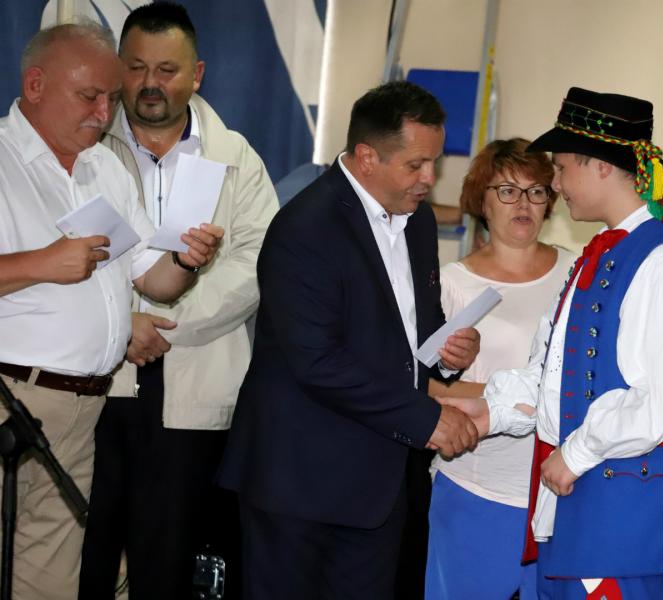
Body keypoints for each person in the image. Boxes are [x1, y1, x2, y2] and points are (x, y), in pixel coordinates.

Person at [443, 88, 663, 598]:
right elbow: (558, 375)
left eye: (560, 167)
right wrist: (489, 414)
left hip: (628, 520)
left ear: (598, 165)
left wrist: (576, 453)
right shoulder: (600, 254)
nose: (554, 183)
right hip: (586, 512)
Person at [217, 80, 481, 600]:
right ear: (366, 158)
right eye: (416, 165)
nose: (430, 180)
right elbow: (316, 361)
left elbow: (414, 327)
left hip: (379, 481)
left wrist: (448, 353)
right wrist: (426, 417)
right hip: (300, 481)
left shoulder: (418, 220)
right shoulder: (304, 228)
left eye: (434, 163)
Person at [0, 22, 222, 600]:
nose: (104, 114)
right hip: (11, 398)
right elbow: (49, 266)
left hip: (85, 410)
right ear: (35, 84)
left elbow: (155, 280)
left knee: (49, 581)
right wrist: (40, 263)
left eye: (111, 98)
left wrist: (187, 258)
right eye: (89, 96)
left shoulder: (103, 168)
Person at [76, 4, 279, 599]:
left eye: (167, 70)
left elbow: (256, 263)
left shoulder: (236, 157)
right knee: (80, 556)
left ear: (198, 74)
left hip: (196, 383)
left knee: (167, 564)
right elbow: (70, 251)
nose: (150, 83)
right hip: (97, 381)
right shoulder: (86, 147)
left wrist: (162, 322)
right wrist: (123, 325)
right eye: (136, 67)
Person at [422, 138, 574, 600]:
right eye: (507, 191)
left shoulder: (577, 271)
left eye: (535, 191)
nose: (523, 204)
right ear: (481, 201)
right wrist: (512, 397)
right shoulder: (453, 283)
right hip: (477, 486)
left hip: (561, 488)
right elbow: (422, 385)